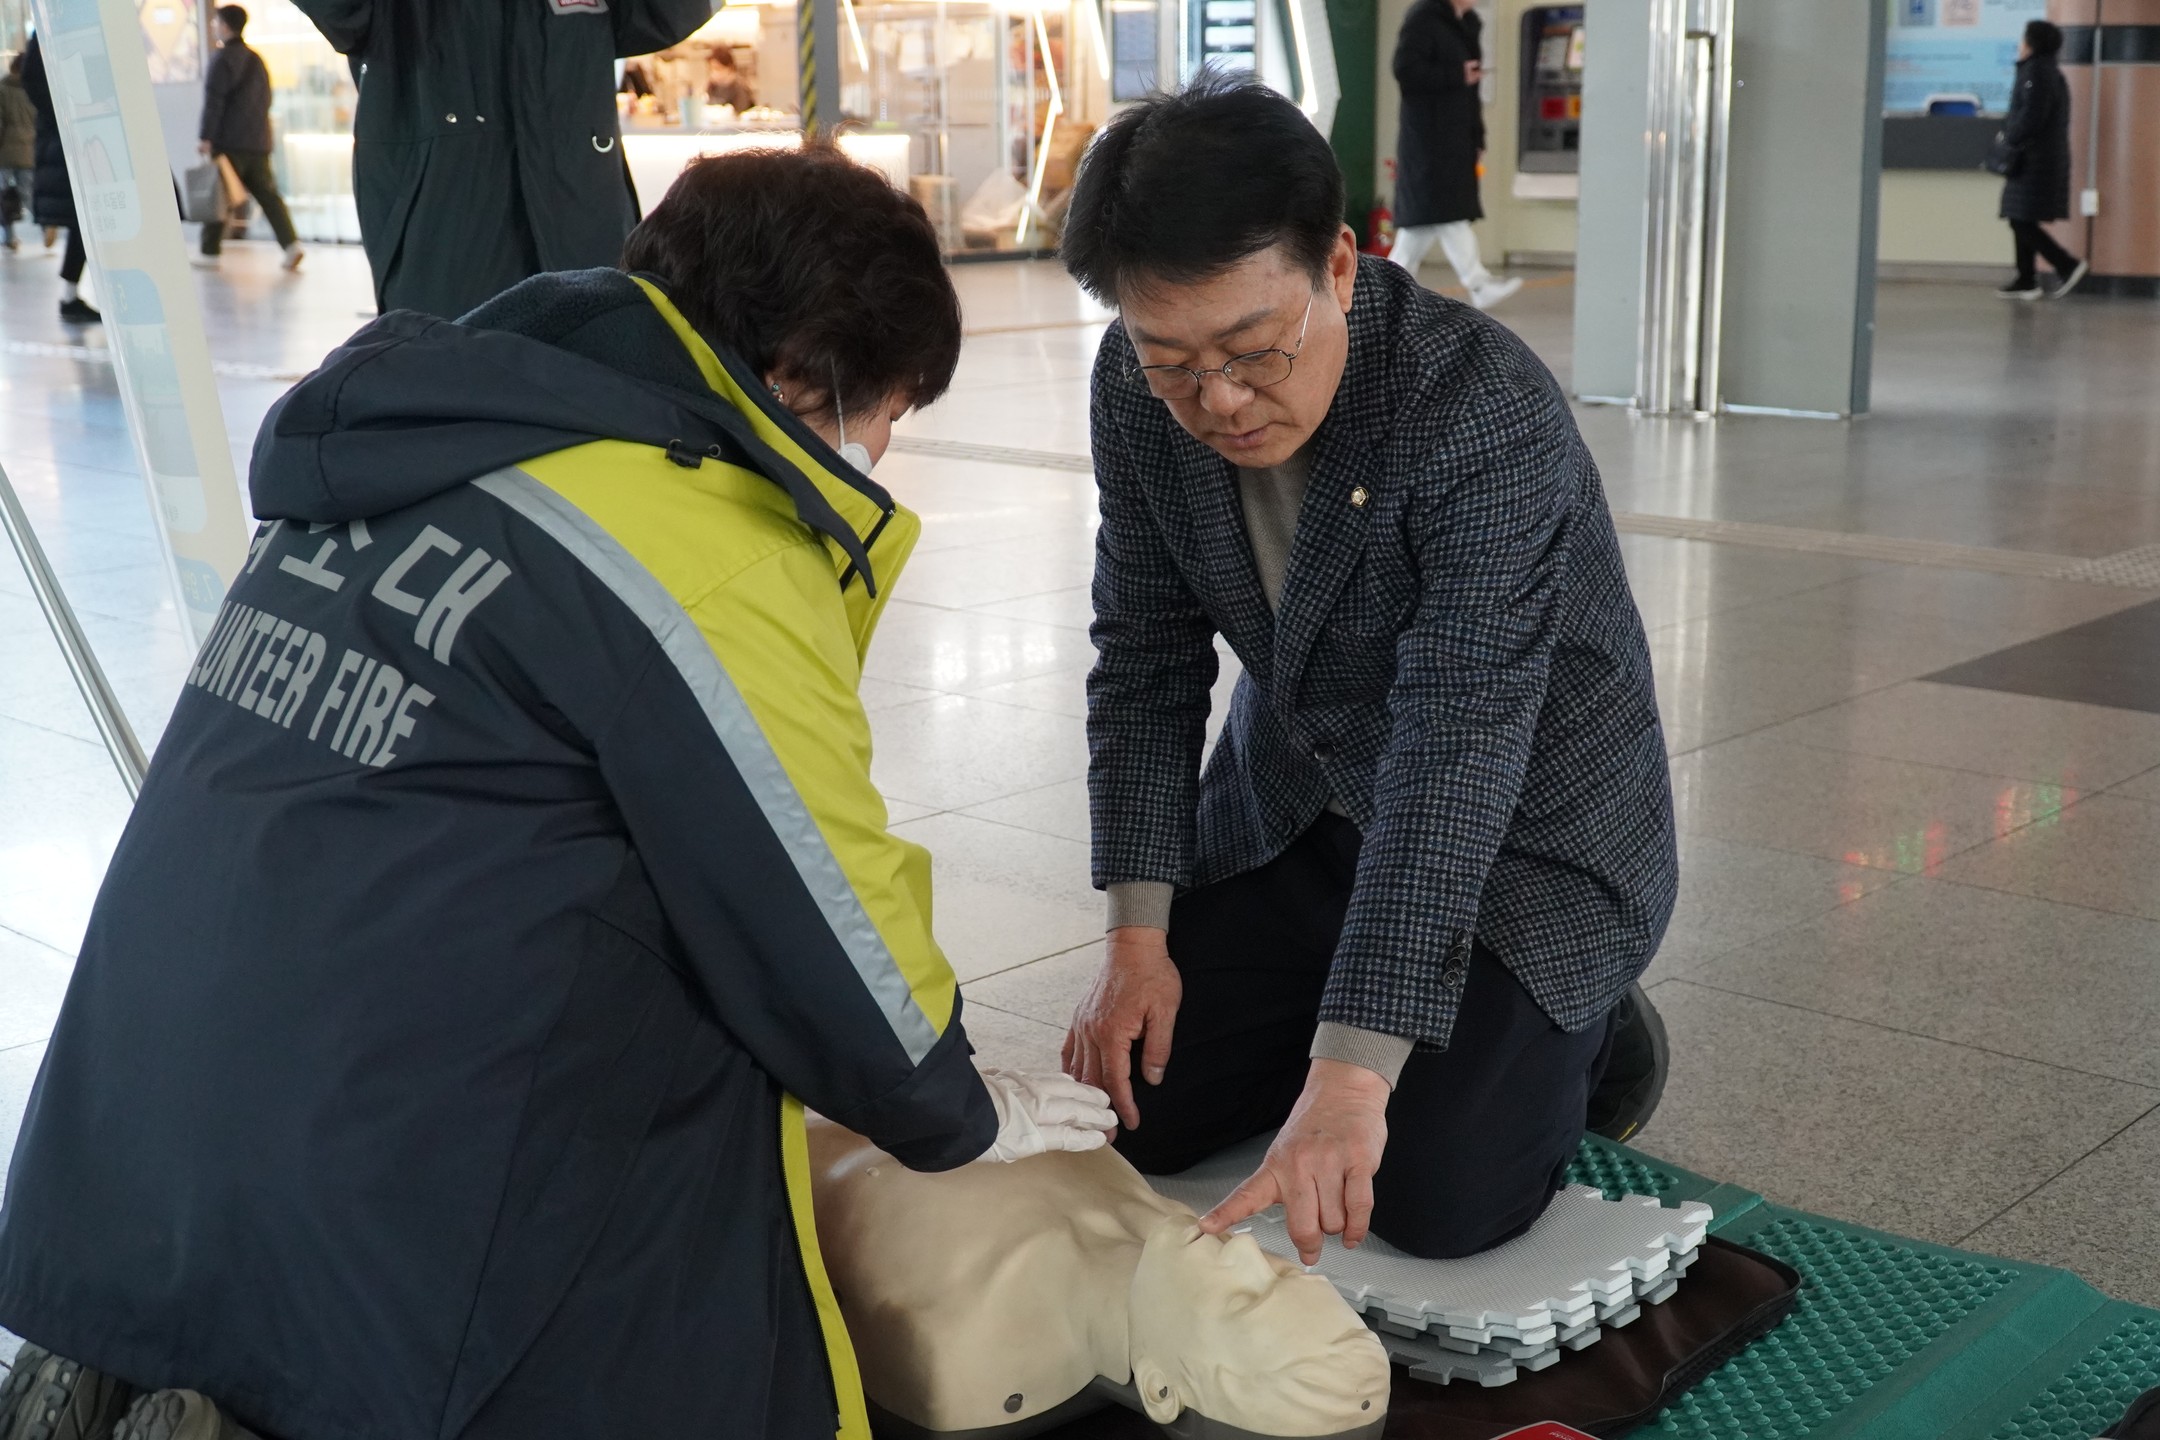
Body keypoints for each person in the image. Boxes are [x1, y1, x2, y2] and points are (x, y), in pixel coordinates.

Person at [0, 146, 1112, 1440]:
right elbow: (823, 915)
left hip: (122, 1147)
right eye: (885, 415)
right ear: (800, 374)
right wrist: (954, 1106)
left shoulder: (408, 449)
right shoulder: (701, 540)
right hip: (394, 1239)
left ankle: (144, 1372)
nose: (877, 453)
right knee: (687, 1157)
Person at [1059, 76, 1677, 1271]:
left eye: (1253, 349)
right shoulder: (1133, 393)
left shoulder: (1475, 406)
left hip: (1521, 834)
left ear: (1339, 266)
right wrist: (1138, 937)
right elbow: (1142, 657)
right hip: (1300, 808)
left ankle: (1597, 1027)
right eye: (1172, 360)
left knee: (1436, 1201)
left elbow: (1457, 746)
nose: (1220, 400)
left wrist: (1350, 1074)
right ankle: (1358, 996)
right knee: (1140, 1116)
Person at [292, 0, 716, 320]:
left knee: (591, 386)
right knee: (457, 391)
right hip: (445, 235)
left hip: (582, 228)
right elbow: (342, 13)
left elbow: (665, 12)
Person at [1387, 0, 1520, 310]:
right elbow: (1406, 70)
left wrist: (1477, 136)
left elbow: (1470, 91)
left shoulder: (1468, 25)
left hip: (1455, 137)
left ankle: (1385, 292)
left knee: (1423, 225)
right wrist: (1455, 74)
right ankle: (1478, 284)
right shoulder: (1423, 19)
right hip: (1429, 138)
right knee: (1447, 215)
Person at [194, 6, 304, 272]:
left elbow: (214, 102)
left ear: (225, 26)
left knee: (217, 194)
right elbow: (267, 99)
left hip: (229, 143)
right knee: (268, 196)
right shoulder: (256, 59)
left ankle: (209, 253)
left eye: (216, 22)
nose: (214, 27)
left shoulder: (222, 60)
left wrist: (206, 136)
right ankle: (291, 245)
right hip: (258, 141)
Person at [1996, 19, 2086, 301]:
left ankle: (2066, 265)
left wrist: (2009, 138)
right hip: (2037, 156)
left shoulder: (2037, 72)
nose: (2020, 44)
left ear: (2032, 43)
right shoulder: (2045, 71)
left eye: (2024, 38)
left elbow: (2032, 116)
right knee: (2020, 216)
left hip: (2035, 158)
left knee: (2020, 219)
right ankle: (2026, 279)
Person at [18, 36, 97, 323]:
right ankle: (70, 296)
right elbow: (32, 76)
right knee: (84, 222)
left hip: (84, 139)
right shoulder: (51, 30)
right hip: (67, 146)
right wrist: (64, 112)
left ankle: (71, 295)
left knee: (86, 224)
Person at [0, 54, 34, 253]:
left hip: (5, 152)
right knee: (27, 192)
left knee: (4, 195)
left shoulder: (2, 89)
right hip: (28, 149)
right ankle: (47, 224)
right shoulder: (32, 90)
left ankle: (10, 237)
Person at [706, 48, 756, 113]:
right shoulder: (712, 85)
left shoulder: (740, 87)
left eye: (718, 68)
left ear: (729, 67)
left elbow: (741, 112)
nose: (714, 72)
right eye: (711, 69)